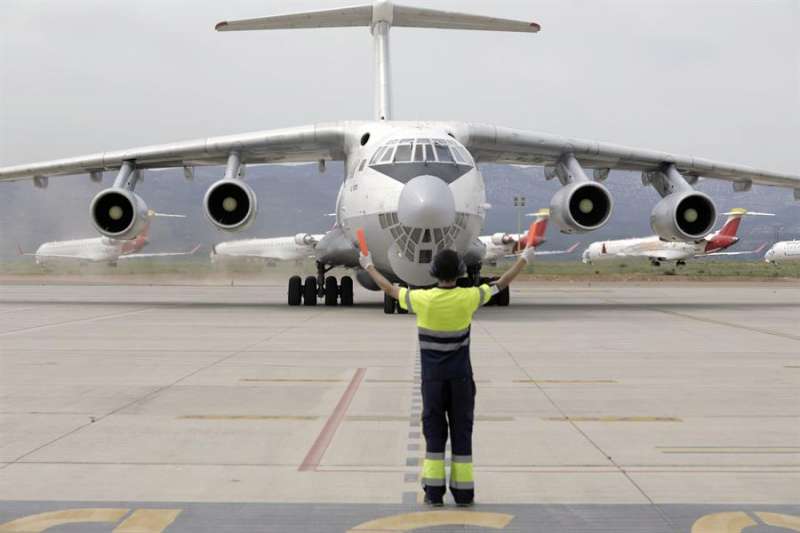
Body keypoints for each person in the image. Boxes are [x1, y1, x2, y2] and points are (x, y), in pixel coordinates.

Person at [359, 245, 535, 506]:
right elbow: (501, 283)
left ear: (433, 272)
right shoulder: (468, 297)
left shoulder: (422, 300)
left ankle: (433, 492)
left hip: (432, 382)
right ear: (459, 273)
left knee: (434, 435)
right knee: (462, 434)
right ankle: (464, 493)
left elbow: (389, 289)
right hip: (461, 380)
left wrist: (369, 266)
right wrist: (523, 259)